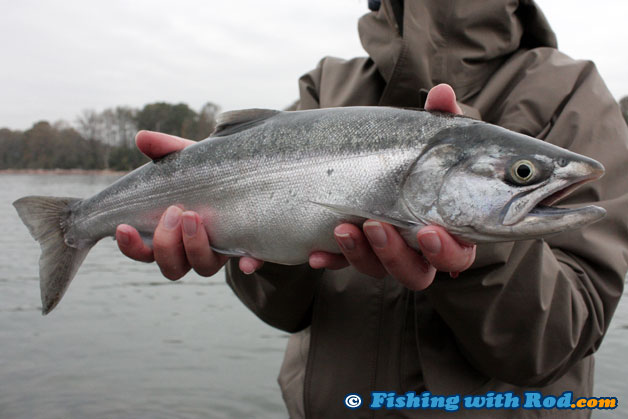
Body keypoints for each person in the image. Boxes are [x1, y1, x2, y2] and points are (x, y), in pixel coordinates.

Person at [116, 1, 628, 417]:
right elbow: (281, 311)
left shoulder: (573, 90)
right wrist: (242, 238)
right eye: (523, 174)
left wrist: (475, 250)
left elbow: (560, 339)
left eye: (523, 174)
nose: (529, 180)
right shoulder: (326, 85)